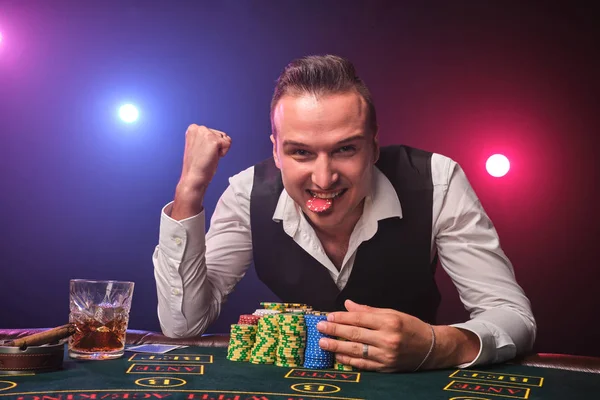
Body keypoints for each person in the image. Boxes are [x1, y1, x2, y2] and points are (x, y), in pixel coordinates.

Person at [152, 55, 536, 373]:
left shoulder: (436, 181)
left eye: (345, 150)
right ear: (276, 151)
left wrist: (436, 345)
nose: (323, 179)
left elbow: (512, 316)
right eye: (301, 152)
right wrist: (189, 191)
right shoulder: (247, 192)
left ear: (373, 145)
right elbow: (183, 325)